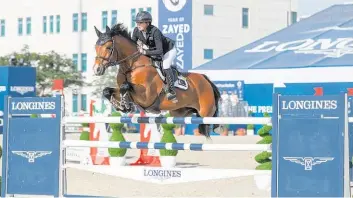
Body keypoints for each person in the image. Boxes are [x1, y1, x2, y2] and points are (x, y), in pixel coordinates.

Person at [131, 11, 177, 102]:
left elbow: (160, 51)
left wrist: (144, 51)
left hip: (168, 50)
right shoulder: (136, 31)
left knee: (165, 65)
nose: (138, 24)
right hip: (153, 50)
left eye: (140, 22)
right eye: (137, 22)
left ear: (147, 23)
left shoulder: (155, 31)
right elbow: (132, 45)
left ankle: (171, 90)